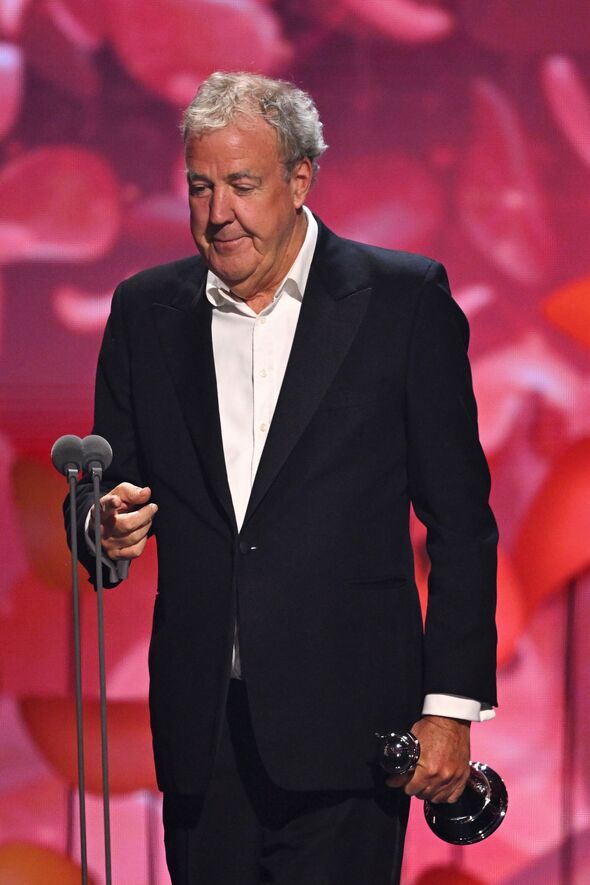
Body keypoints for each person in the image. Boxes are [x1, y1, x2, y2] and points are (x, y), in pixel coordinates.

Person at [70, 71, 497, 884]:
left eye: (242, 185)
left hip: (353, 737)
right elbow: (103, 483)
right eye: (200, 187)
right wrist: (100, 526)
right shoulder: (145, 311)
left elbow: (462, 523)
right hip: (203, 738)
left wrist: (449, 707)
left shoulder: (401, 301)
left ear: (301, 180)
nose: (217, 212)